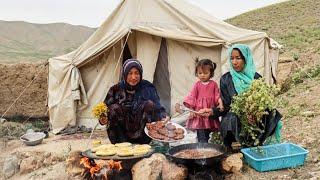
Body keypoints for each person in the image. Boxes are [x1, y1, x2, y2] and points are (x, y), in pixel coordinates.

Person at [197, 44, 282, 147]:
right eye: (232, 58)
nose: (234, 62)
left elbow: (262, 103)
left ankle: (257, 141)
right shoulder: (226, 79)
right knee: (231, 117)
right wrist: (212, 111)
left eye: (238, 58)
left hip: (254, 119)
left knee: (272, 113)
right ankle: (235, 144)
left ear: (245, 58)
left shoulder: (256, 78)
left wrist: (256, 113)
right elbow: (226, 105)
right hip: (235, 121)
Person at [99, 59, 167, 144]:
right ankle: (119, 145)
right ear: (125, 74)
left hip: (142, 132)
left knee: (149, 104)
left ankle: (143, 145)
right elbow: (103, 112)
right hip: (120, 133)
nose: (133, 77)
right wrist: (103, 119)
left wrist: (164, 117)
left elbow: (158, 107)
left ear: (140, 74)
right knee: (113, 108)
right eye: (130, 73)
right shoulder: (115, 89)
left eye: (136, 73)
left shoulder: (148, 87)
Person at [181, 58, 224, 143]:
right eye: (200, 73)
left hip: (209, 114)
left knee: (210, 135)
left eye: (205, 73)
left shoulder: (213, 84)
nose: (202, 75)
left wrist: (221, 104)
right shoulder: (197, 85)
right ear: (197, 73)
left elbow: (217, 96)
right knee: (201, 135)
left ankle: (210, 147)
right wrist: (192, 110)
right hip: (199, 115)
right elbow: (192, 97)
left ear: (211, 73)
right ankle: (202, 148)